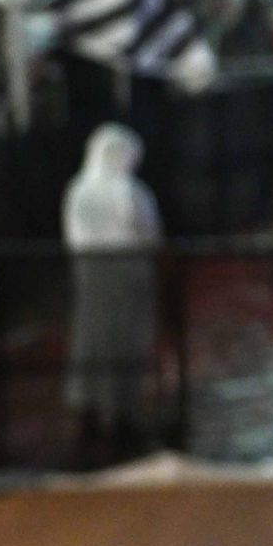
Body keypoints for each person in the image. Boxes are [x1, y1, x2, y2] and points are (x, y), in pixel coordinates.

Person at [60, 123, 163, 455]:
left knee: (89, 344)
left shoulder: (78, 190)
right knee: (125, 345)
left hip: (90, 278)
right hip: (128, 278)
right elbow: (150, 235)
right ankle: (123, 415)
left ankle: (87, 411)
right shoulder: (131, 192)